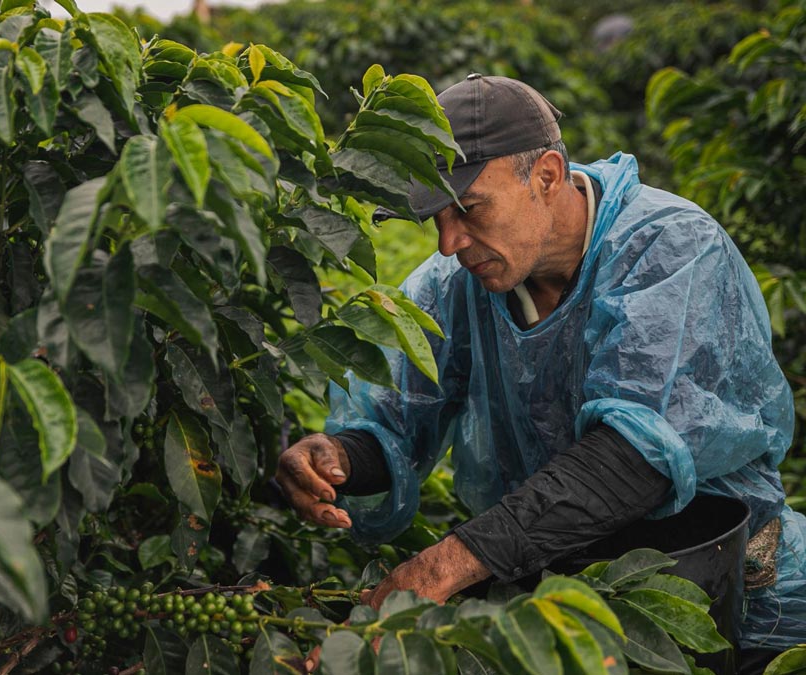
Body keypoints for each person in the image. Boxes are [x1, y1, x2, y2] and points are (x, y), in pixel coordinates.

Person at [275, 74, 802, 670]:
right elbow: (398, 418)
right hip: (562, 606)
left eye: (469, 209)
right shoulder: (457, 286)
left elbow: (636, 458)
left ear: (546, 175)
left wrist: (444, 564)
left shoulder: (671, 250)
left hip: (725, 599)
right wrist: (338, 456)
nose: (449, 242)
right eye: (436, 219)